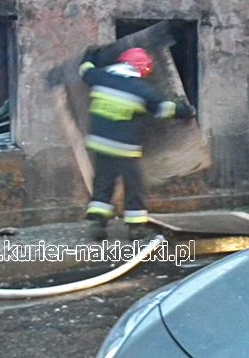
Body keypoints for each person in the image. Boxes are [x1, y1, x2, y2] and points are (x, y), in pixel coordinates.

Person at [80, 47, 196, 241]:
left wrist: (90, 55)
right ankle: (136, 229)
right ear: (141, 69)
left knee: (103, 183)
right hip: (125, 148)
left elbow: (84, 70)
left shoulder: (100, 77)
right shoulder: (141, 90)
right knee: (134, 186)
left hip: (100, 144)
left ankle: (97, 224)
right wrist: (186, 111)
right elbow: (164, 109)